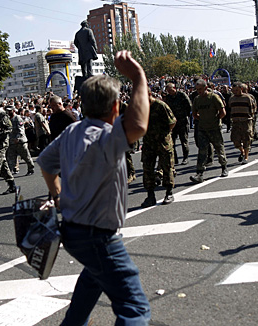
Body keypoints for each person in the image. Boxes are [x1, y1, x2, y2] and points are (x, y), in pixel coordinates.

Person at [37, 50, 151, 325]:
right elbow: (138, 124)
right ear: (114, 108)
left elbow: (45, 162)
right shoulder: (107, 136)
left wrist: (58, 194)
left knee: (91, 282)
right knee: (134, 309)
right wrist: (138, 76)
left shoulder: (72, 131)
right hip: (97, 236)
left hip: (73, 230)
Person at [141, 94, 176, 207]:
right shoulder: (141, 106)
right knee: (147, 169)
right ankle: (150, 195)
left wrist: (164, 134)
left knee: (167, 167)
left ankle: (169, 192)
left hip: (163, 142)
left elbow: (172, 122)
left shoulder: (161, 105)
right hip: (148, 143)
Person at [190, 79, 228, 184]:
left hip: (214, 128)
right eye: (197, 89)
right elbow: (194, 114)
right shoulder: (197, 99)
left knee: (219, 147)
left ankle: (224, 167)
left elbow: (223, 112)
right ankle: (199, 173)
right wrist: (202, 120)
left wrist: (215, 120)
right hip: (202, 128)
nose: (199, 91)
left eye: (201, 89)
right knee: (202, 150)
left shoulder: (213, 97)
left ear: (206, 88)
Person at [164, 83, 192, 165]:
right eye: (168, 90)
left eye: (170, 90)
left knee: (184, 140)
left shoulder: (182, 95)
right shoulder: (168, 98)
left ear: (174, 88)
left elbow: (189, 106)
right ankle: (174, 159)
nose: (169, 92)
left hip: (182, 121)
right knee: (172, 141)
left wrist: (186, 115)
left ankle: (185, 157)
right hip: (173, 122)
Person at [229, 82, 256, 164]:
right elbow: (230, 108)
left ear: (241, 89)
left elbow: (253, 109)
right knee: (235, 139)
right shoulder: (231, 98)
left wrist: (250, 118)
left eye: (236, 90)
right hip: (235, 121)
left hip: (246, 121)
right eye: (233, 90)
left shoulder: (247, 98)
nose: (235, 92)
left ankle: (246, 157)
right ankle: (242, 151)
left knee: (246, 139)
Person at [6, 106, 35, 176]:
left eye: (10, 111)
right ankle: (9, 173)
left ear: (13, 110)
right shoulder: (7, 119)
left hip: (20, 142)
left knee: (26, 156)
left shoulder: (17, 118)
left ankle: (31, 168)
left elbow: (21, 129)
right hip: (11, 142)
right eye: (7, 111)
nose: (8, 112)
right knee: (10, 158)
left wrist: (18, 138)